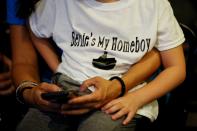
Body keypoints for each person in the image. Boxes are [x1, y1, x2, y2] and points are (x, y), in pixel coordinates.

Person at [23, 0, 186, 130]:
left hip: (123, 97)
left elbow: (176, 68)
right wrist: (57, 67)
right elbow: (35, 28)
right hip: (67, 89)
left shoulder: (154, 5)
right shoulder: (58, 3)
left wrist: (135, 99)